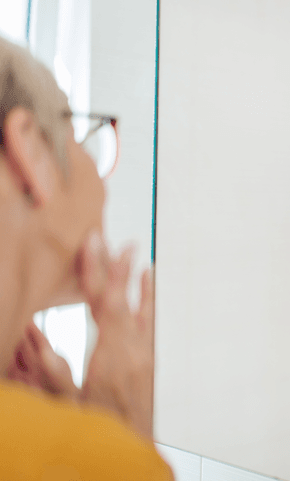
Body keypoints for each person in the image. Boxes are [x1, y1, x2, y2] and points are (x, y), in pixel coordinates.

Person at [0, 36, 173, 479]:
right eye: (79, 136)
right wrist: (123, 440)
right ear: (31, 150)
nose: (100, 178)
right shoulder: (90, 459)